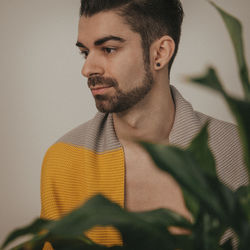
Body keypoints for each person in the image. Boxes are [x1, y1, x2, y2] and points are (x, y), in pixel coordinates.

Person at [40, 0, 248, 248]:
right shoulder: (64, 161)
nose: (87, 68)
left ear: (160, 53)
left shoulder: (238, 150)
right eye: (85, 52)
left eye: (108, 49)